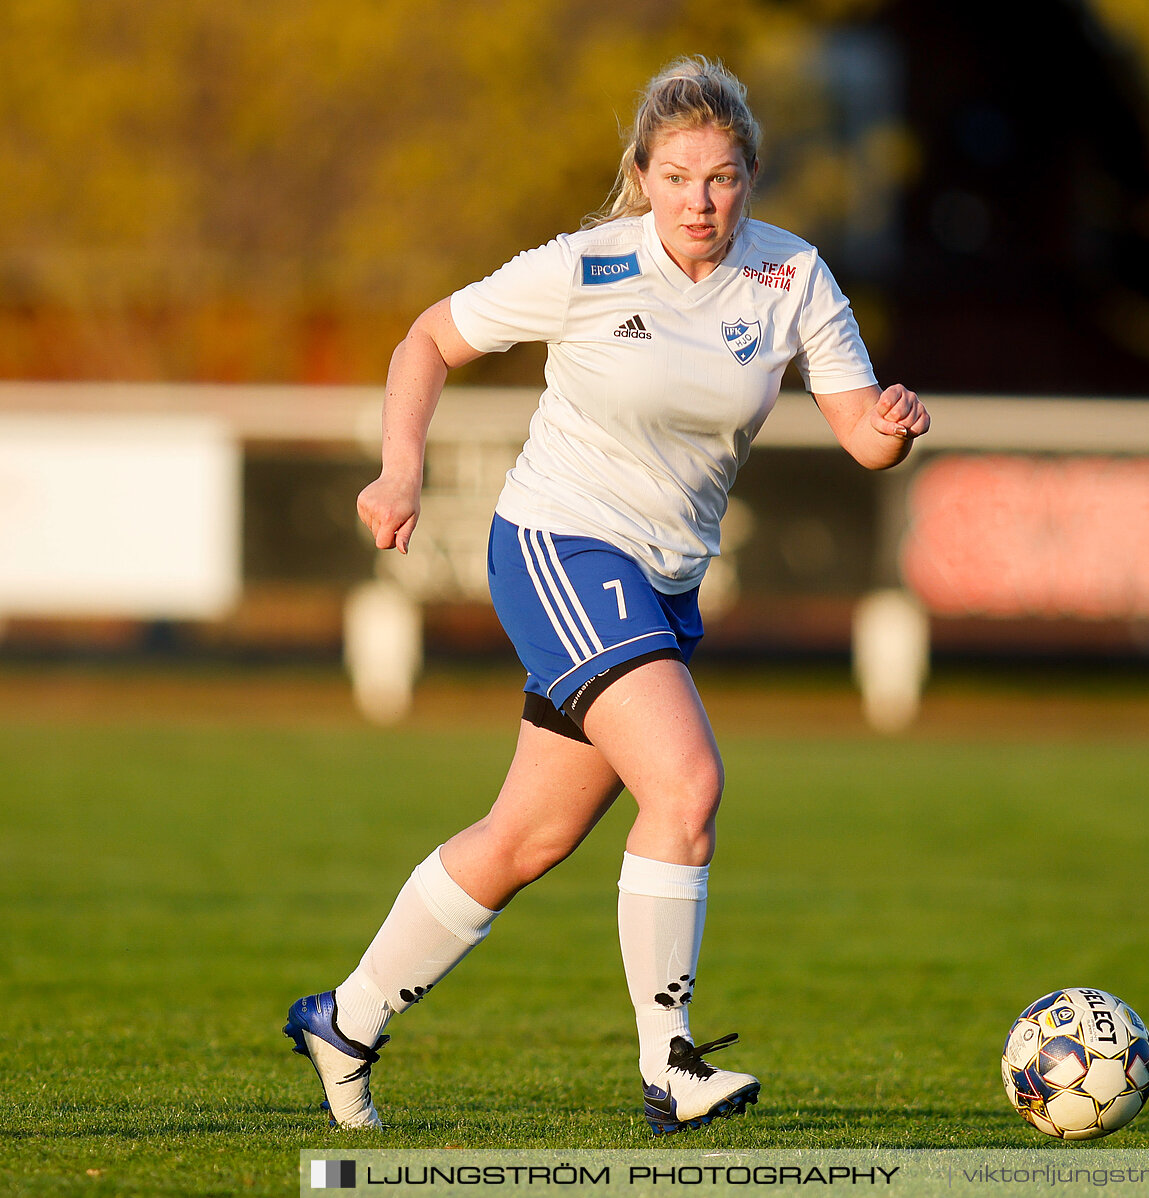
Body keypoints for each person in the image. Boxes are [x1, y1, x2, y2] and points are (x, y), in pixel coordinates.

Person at [283, 56, 930, 1135]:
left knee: (525, 840)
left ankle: (343, 1019)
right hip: (559, 544)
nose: (700, 201)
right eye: (677, 177)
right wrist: (399, 468)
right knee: (685, 786)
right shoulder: (586, 267)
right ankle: (669, 1063)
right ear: (641, 175)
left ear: (751, 178)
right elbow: (427, 339)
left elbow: (862, 433)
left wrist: (897, 425)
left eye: (722, 178)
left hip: (661, 580)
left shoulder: (794, 278)